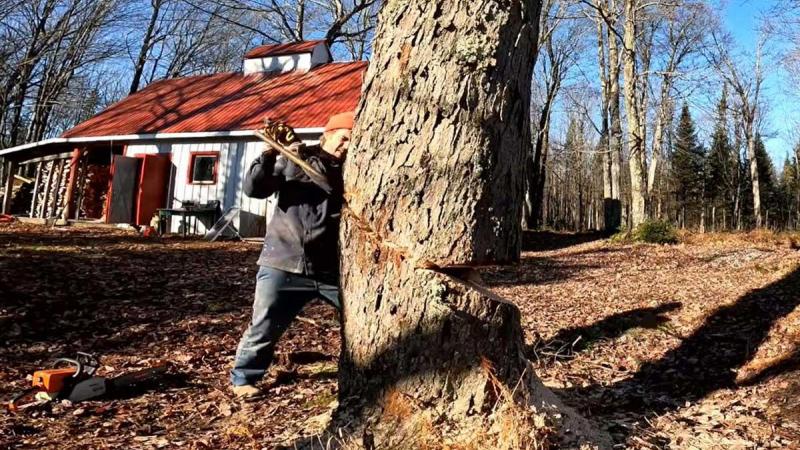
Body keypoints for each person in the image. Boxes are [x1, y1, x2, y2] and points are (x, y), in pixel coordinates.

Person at [231, 112, 354, 399]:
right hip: (284, 261)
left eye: (353, 140)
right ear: (327, 134)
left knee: (359, 319)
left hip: (330, 268)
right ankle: (244, 379)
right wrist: (269, 155)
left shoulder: (353, 170)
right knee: (264, 325)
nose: (346, 145)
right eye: (343, 137)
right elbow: (254, 189)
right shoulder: (294, 157)